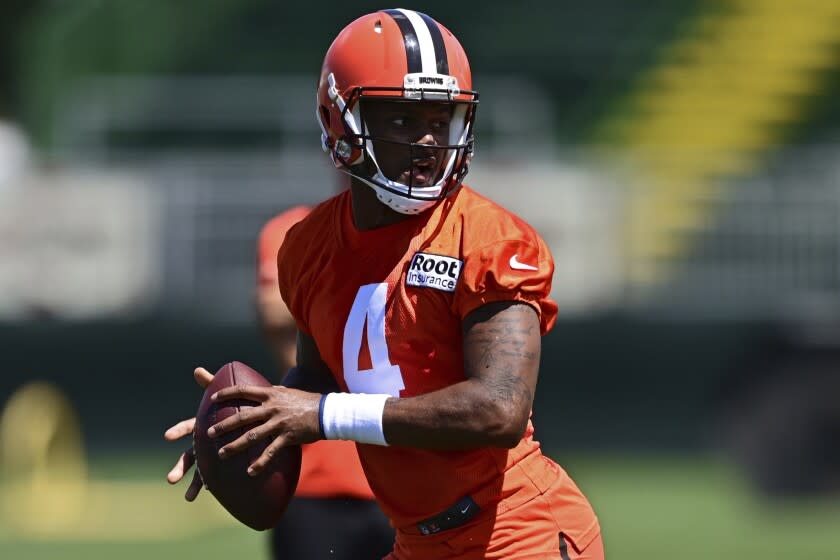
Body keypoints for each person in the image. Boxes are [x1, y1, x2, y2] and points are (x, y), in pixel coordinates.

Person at [166, 8, 603, 559]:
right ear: (340, 121)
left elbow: (499, 409)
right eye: (401, 119)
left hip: (514, 533)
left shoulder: (491, 239)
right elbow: (315, 377)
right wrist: (248, 423)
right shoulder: (308, 245)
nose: (426, 141)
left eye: (440, 119)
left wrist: (322, 415)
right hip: (415, 541)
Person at [256, 206, 394, 559]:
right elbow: (273, 305)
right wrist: (359, 302)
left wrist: (335, 293)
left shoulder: (424, 237)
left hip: (403, 478)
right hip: (313, 482)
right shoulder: (301, 230)